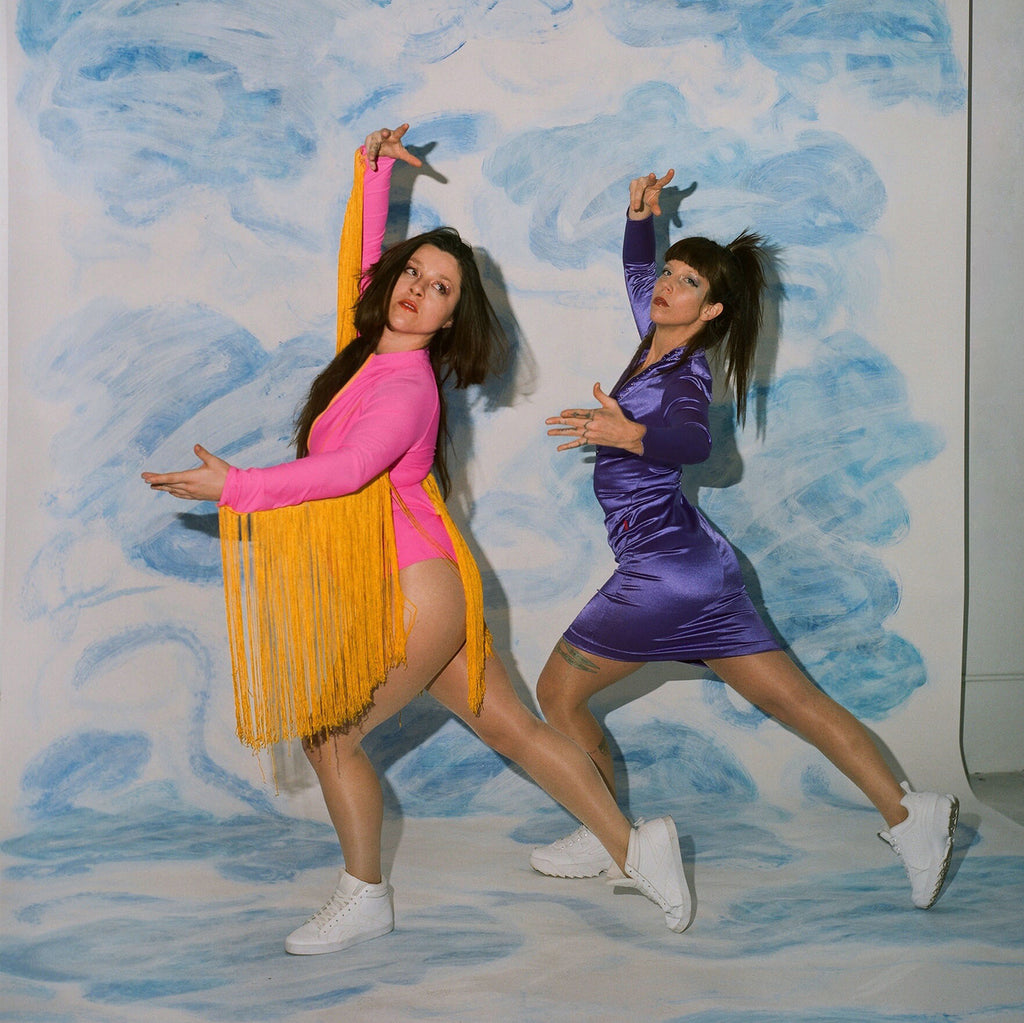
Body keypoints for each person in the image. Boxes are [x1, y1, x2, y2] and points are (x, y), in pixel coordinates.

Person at [142, 126, 691, 955]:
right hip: (434, 585)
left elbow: (348, 470)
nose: (417, 291)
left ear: (451, 315)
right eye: (413, 275)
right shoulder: (364, 353)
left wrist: (237, 488)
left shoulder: (404, 390)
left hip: (418, 592)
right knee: (517, 731)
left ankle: (365, 895)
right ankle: (638, 848)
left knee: (330, 735)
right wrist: (372, 181)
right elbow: (359, 271)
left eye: (439, 289)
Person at [531, 167, 959, 911]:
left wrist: (631, 432)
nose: (665, 283)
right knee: (798, 702)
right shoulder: (655, 341)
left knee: (556, 695)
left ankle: (615, 839)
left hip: (663, 570)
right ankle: (909, 814)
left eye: (686, 279)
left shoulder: (685, 374)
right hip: (705, 568)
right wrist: (642, 220)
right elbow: (639, 273)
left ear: (713, 307)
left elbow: (694, 441)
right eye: (669, 271)